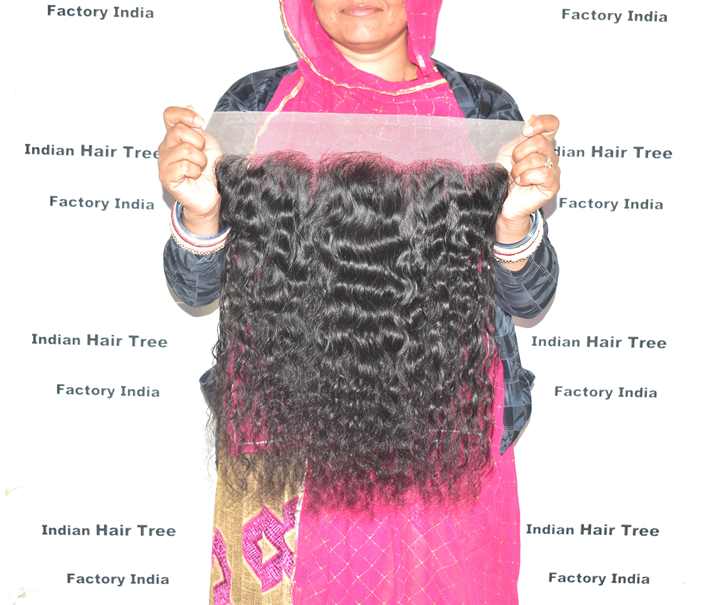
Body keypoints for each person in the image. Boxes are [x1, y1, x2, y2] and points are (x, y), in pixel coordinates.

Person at [158, 1, 559, 603]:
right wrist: (200, 213)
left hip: (453, 448)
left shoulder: (480, 111)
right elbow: (195, 288)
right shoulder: (257, 105)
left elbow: (529, 297)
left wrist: (515, 222)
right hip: (289, 450)